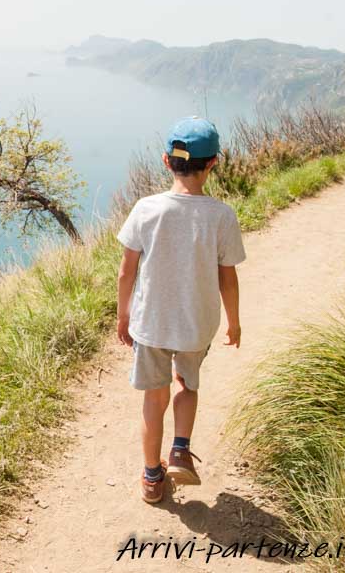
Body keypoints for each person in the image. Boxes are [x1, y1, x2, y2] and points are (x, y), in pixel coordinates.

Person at [115, 116, 246, 504]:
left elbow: (127, 271)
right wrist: (234, 322)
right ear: (213, 163)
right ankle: (180, 449)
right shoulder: (222, 215)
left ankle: (152, 477)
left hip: (151, 325)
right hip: (196, 324)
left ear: (166, 161)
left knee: (153, 400)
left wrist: (124, 316)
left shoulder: (145, 209)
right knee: (187, 385)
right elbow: (228, 279)